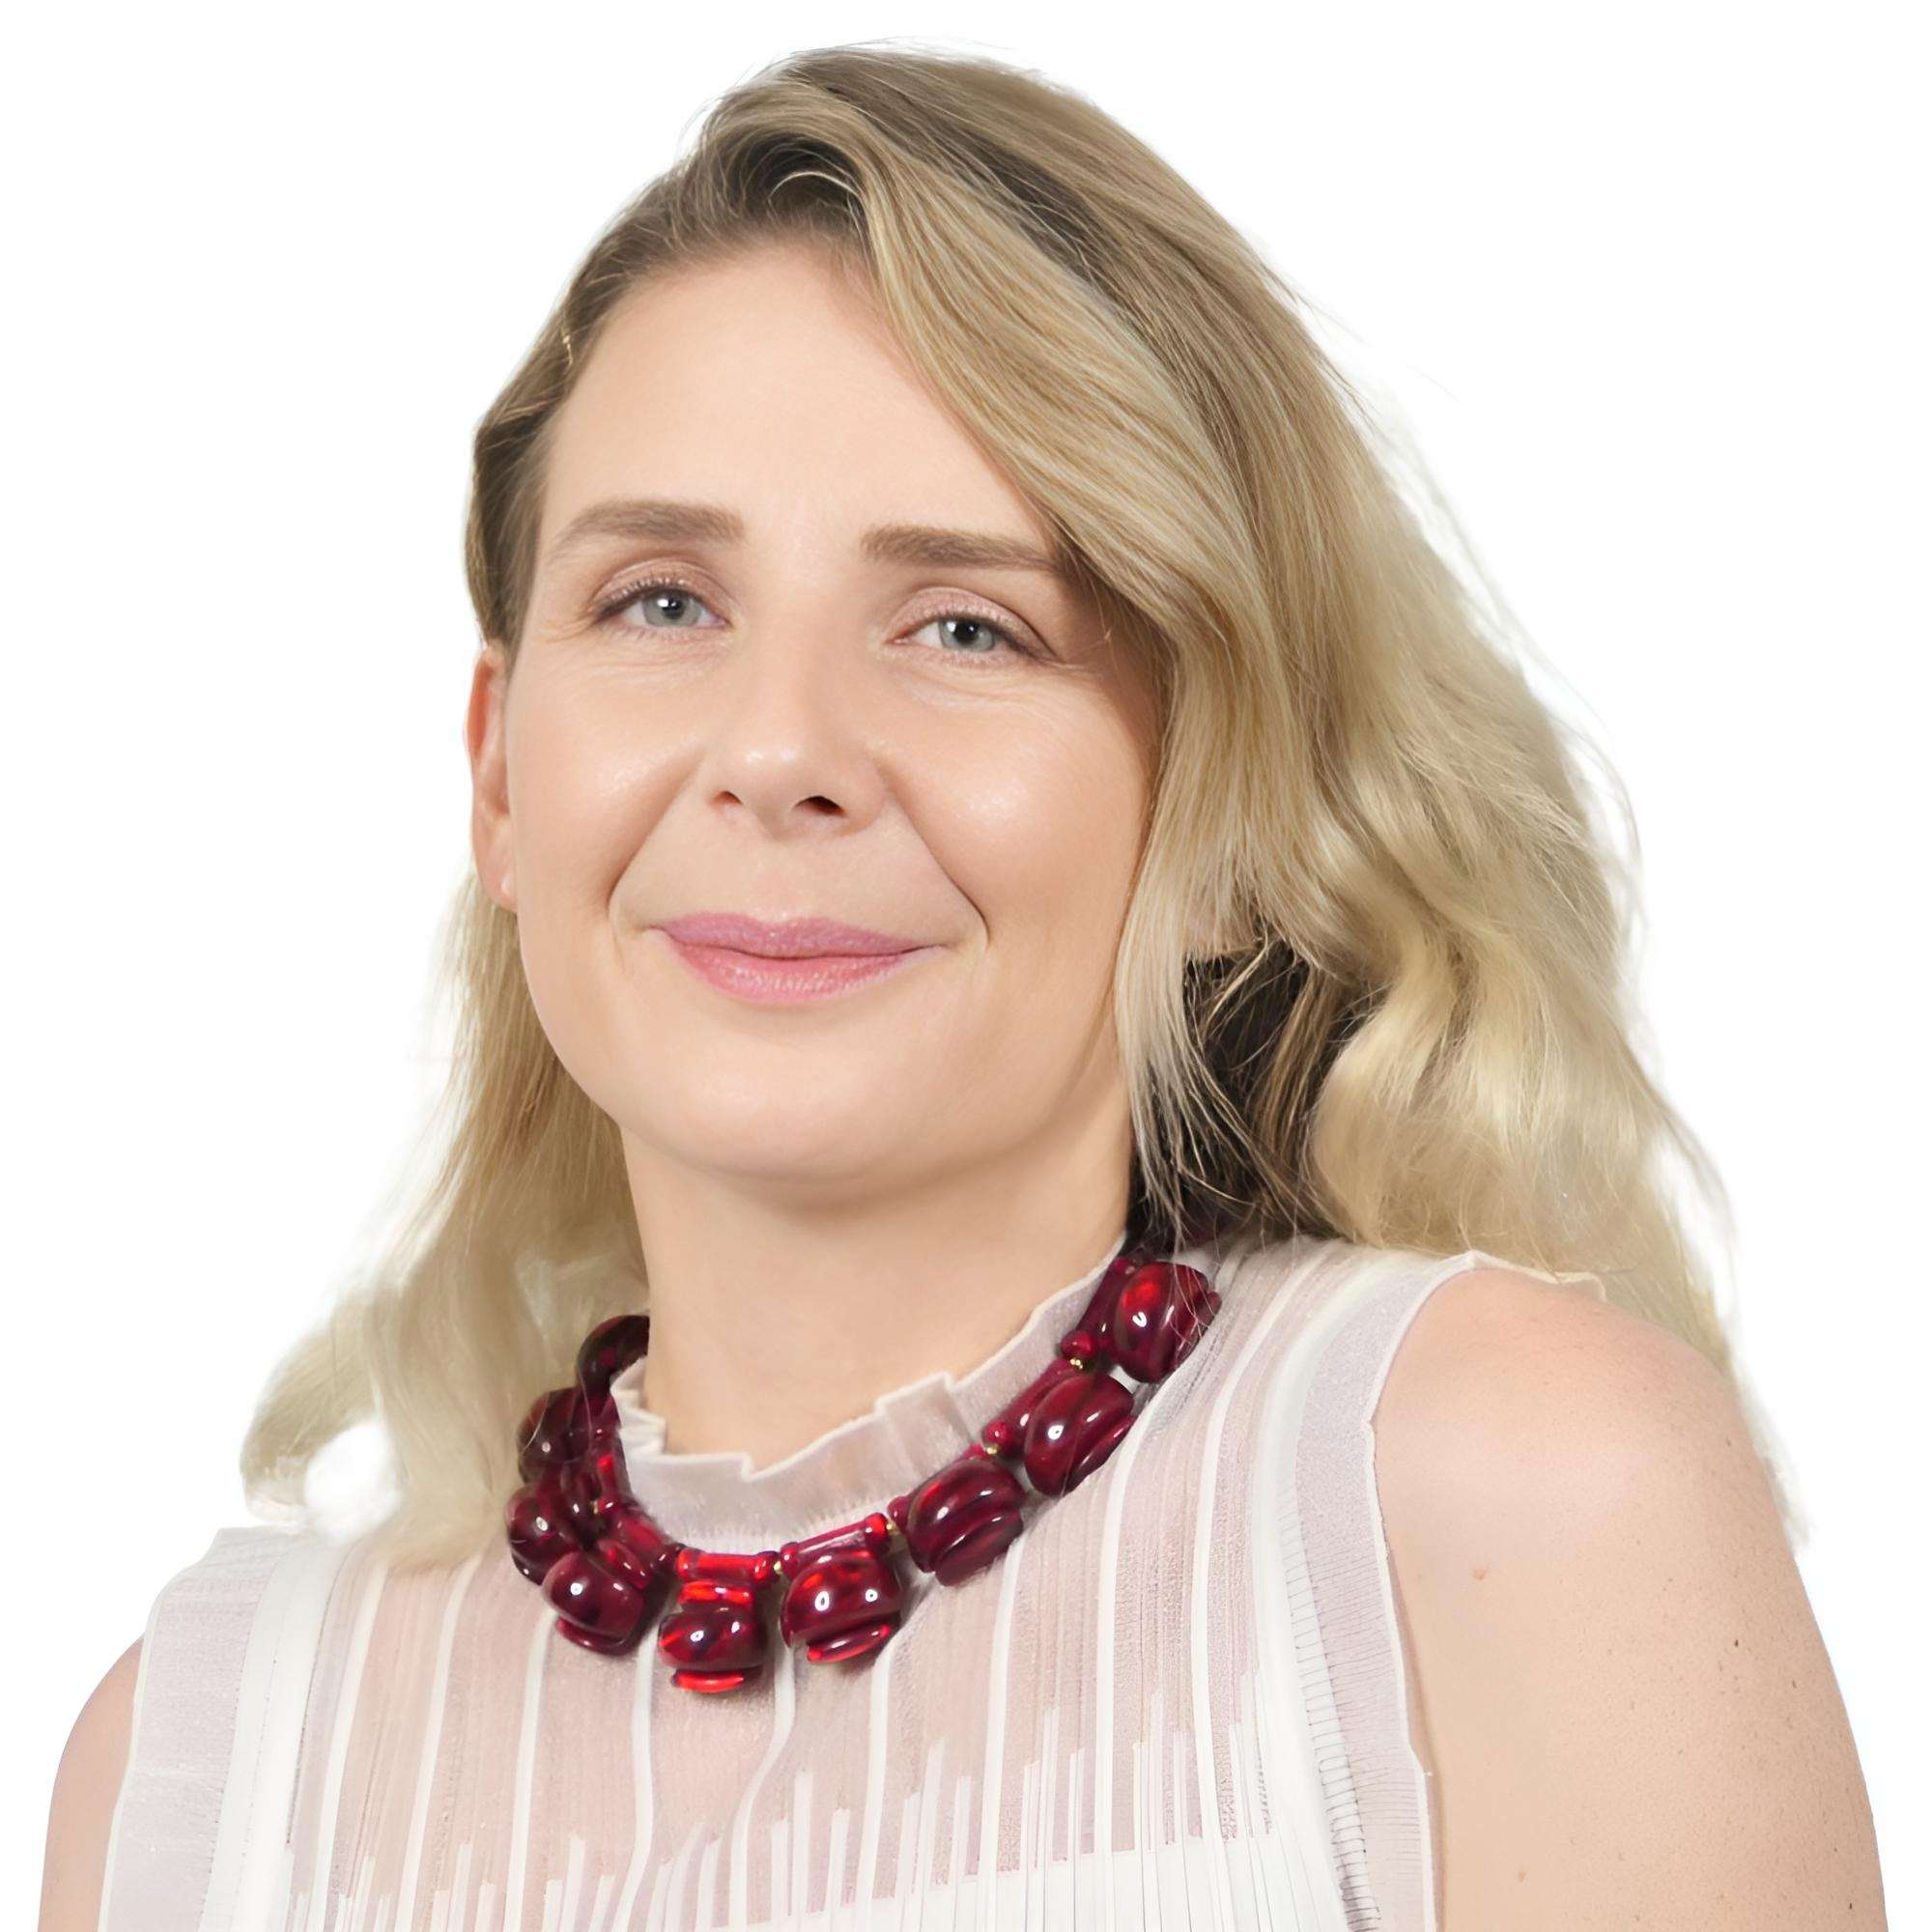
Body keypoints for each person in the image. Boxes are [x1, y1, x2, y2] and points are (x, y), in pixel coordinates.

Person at [42, 42, 1886, 1932]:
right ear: (501, 773)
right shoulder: (200, 1773)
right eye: (662, 599)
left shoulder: (1498, 1492)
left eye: (965, 625)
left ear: (1228, 812)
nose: (778, 751)